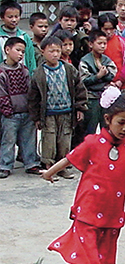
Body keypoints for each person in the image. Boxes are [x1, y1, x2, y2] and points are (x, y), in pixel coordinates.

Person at [42, 88, 125, 264]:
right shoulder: (93, 142)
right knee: (88, 262)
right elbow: (70, 158)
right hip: (88, 213)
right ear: (107, 119)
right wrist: (49, 172)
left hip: (112, 216)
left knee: (100, 262)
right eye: (121, 122)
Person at [28, 36, 87, 180]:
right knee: (49, 139)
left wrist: (80, 108)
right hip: (48, 113)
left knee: (64, 140)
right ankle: (49, 167)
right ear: (42, 52)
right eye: (51, 51)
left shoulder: (68, 69)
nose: (55, 54)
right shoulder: (38, 73)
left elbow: (79, 88)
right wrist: (36, 117)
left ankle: (63, 167)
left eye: (57, 51)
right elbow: (33, 98)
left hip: (67, 112)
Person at [0, 37, 40, 178]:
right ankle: (5, 165)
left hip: (26, 112)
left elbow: (30, 91)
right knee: (8, 140)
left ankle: (31, 163)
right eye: (18, 50)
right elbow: (2, 95)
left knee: (29, 138)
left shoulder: (24, 70)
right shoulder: (2, 72)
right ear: (7, 50)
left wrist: (32, 109)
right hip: (10, 115)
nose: (21, 54)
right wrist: (8, 111)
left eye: (23, 51)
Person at [78, 29, 117, 136]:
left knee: (106, 126)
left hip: (105, 96)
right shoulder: (85, 60)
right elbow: (84, 80)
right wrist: (98, 76)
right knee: (90, 127)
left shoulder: (106, 60)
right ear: (91, 44)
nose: (103, 46)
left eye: (104, 43)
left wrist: (104, 75)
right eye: (99, 43)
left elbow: (112, 75)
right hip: (91, 98)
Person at [99, 12, 125, 91]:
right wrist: (107, 81)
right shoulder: (96, 45)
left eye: (111, 29)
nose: (108, 32)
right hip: (104, 86)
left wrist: (121, 80)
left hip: (123, 85)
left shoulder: (122, 43)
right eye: (105, 29)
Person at [1, 0, 38, 74]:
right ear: (2, 17)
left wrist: (32, 76)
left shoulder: (24, 36)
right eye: (10, 17)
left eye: (16, 16)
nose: (14, 20)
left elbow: (31, 60)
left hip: (23, 76)